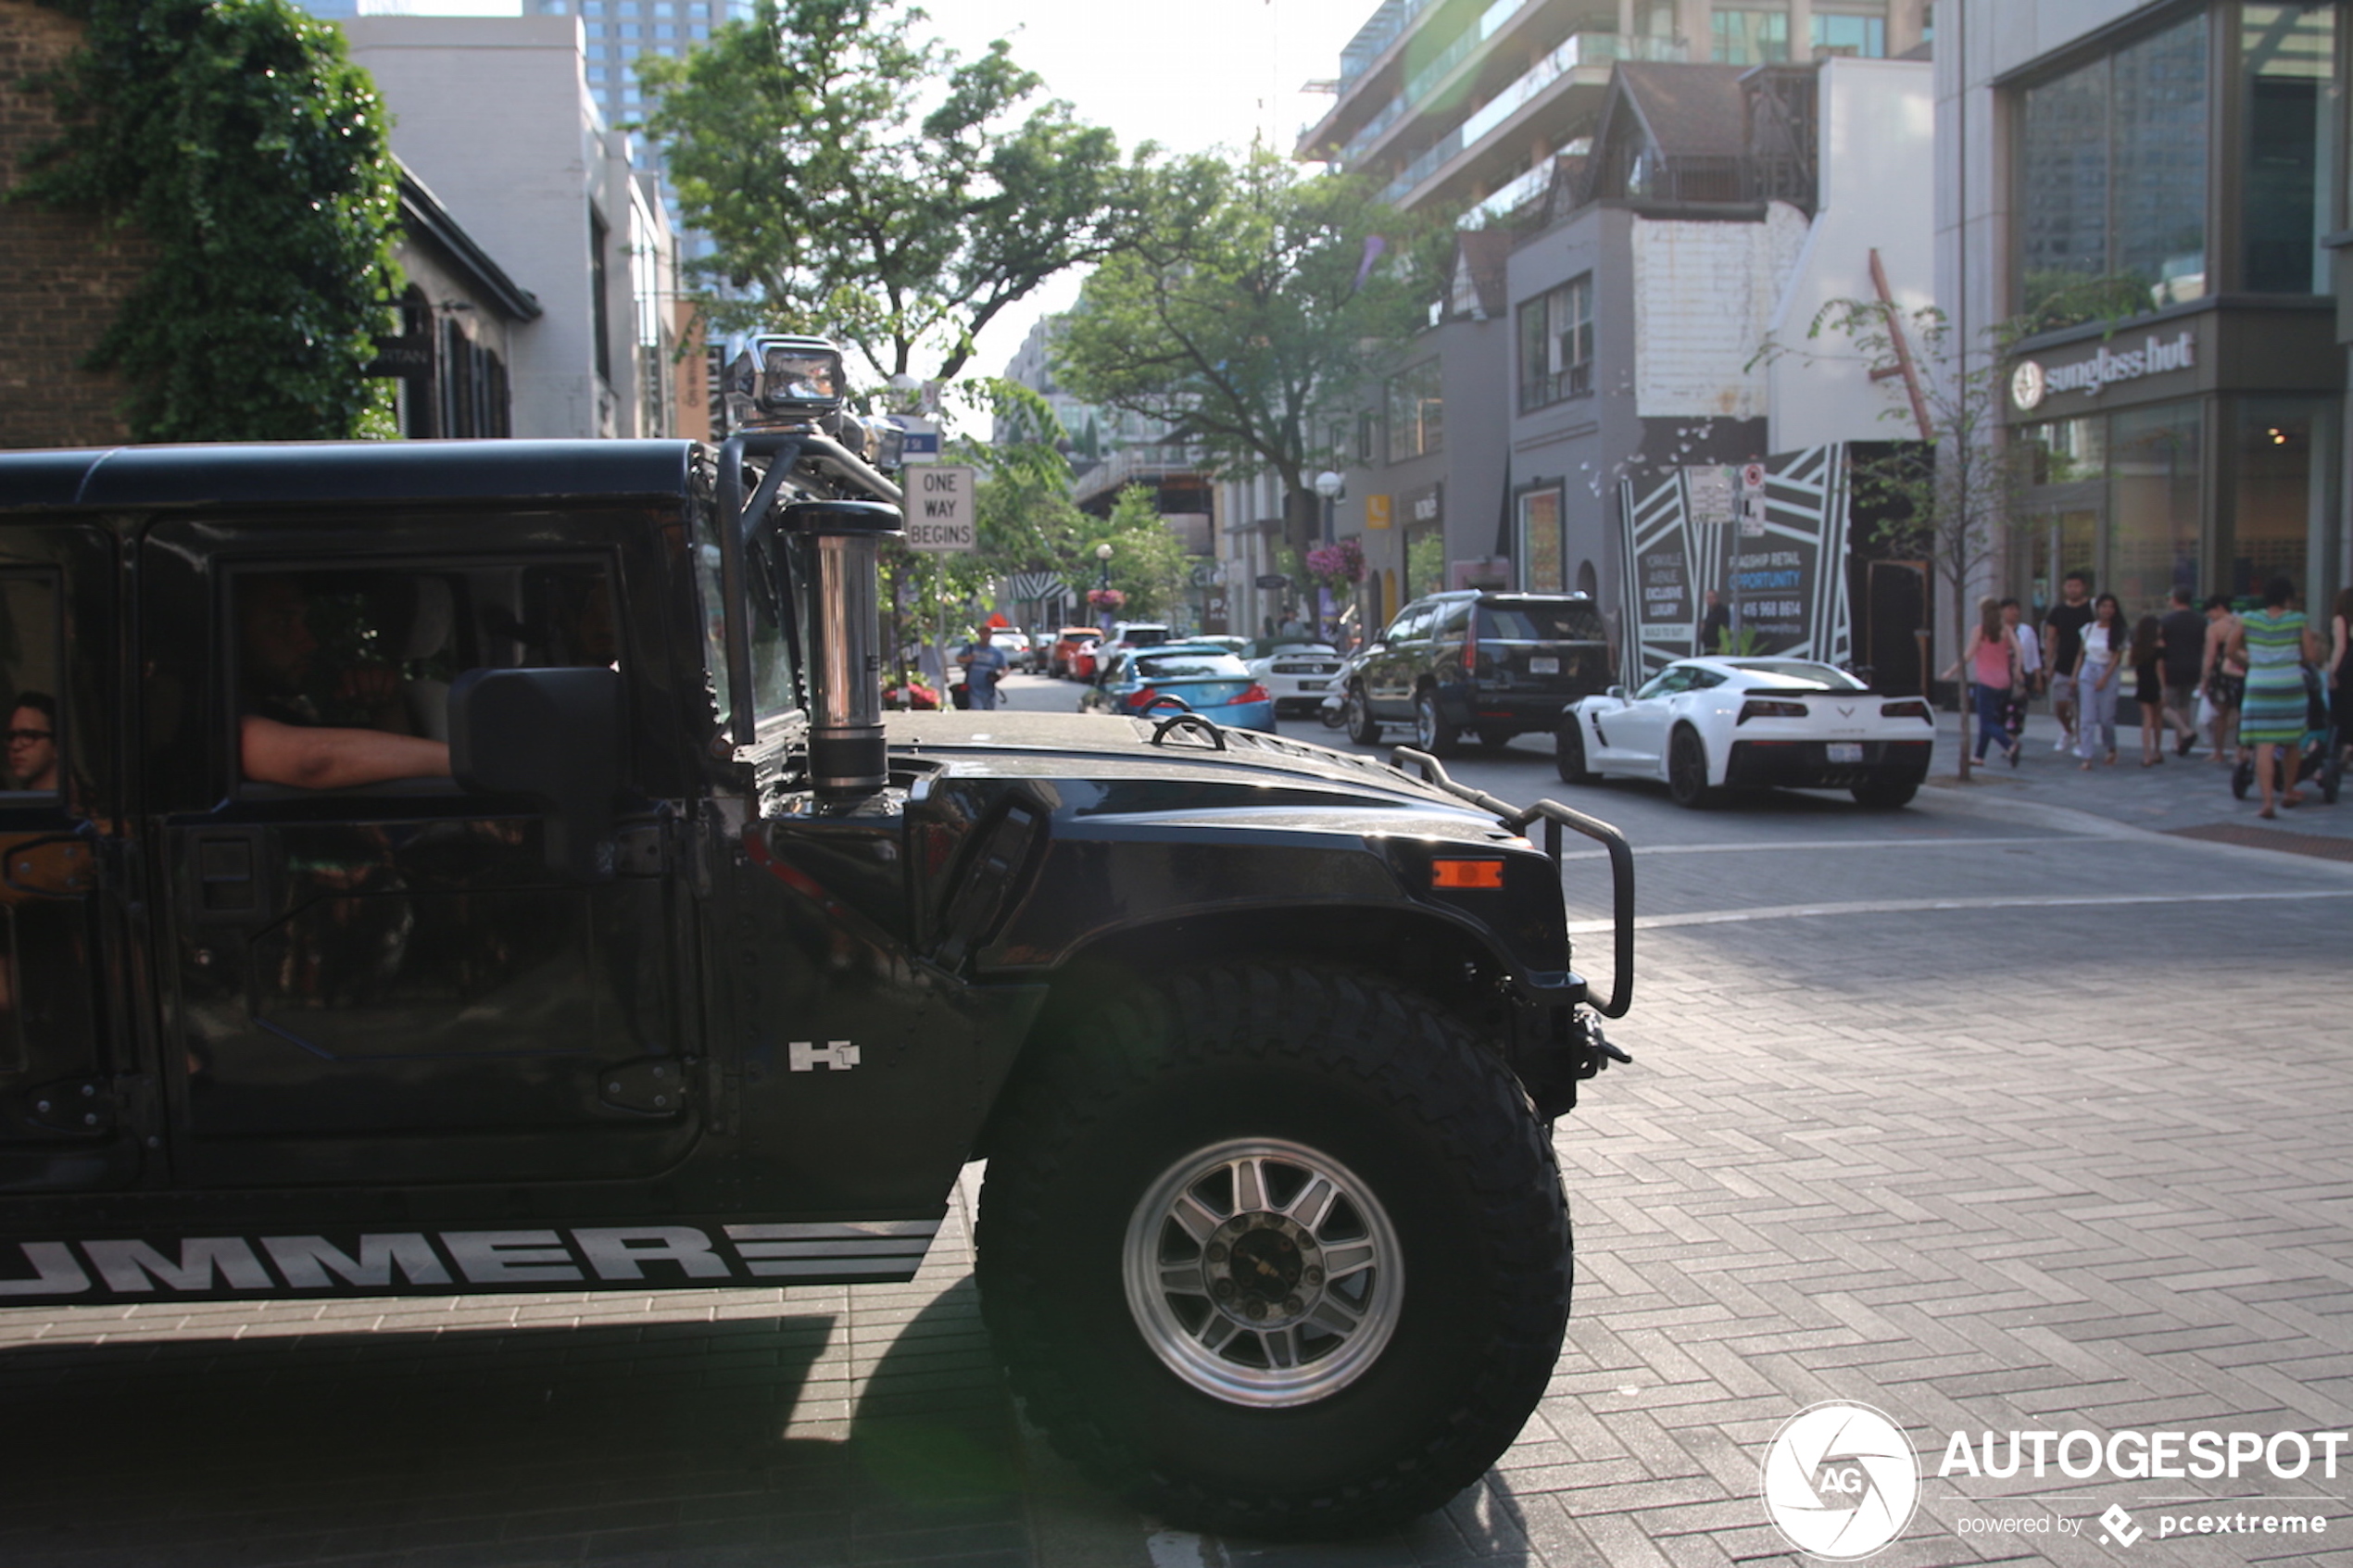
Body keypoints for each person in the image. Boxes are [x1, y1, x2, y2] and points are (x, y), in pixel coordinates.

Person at [239, 574, 450, 789]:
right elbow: (313, 762)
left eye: (303, 622)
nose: (310, 644)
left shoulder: (277, 715)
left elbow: (400, 788)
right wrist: (467, 763)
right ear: (230, 630)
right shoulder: (213, 717)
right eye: (283, 622)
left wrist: (385, 707)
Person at [2229, 576, 2322, 820]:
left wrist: (2249, 662)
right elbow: (2311, 655)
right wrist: (2291, 661)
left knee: (2264, 745)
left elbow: (2229, 649)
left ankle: (2267, 801)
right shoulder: (2298, 620)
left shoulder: (2248, 618)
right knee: (2291, 742)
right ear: (2287, 597)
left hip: (2259, 685)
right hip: (2290, 684)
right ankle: (2288, 791)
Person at [1944, 596, 2021, 766]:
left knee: (1987, 722)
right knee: (1989, 720)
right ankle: (1979, 756)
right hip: (2004, 682)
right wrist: (2017, 670)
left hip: (1986, 682)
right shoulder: (2006, 629)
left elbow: (1968, 655)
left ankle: (2009, 745)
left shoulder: (1979, 630)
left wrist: (1951, 671)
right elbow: (2018, 648)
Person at [2072, 592, 2126, 769]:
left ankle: (2111, 747)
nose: (2107, 610)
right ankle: (2087, 756)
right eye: (2104, 606)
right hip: (2088, 669)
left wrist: (2104, 678)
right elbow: (2081, 654)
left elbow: (2116, 657)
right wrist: (2075, 675)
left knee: (2105, 718)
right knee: (2087, 716)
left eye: (2111, 606)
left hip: (2107, 671)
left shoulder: (2118, 631)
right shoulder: (2088, 628)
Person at [2044, 571, 2094, 753]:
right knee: (2061, 704)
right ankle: (2067, 729)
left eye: (2077, 586)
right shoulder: (2058, 611)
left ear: (2084, 587)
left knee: (2083, 706)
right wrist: (2049, 663)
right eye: (2069, 586)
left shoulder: (2092, 609)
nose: (2073, 589)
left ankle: (2081, 740)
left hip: (2087, 664)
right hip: (2063, 664)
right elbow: (2050, 638)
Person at [2158, 586, 2206, 756]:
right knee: (2184, 705)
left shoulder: (2167, 621)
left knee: (2165, 705)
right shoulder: (2201, 620)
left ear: (2175, 599)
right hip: (2194, 666)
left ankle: (2185, 733)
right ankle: (2181, 742)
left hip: (2172, 666)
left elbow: (2160, 646)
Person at [2200, 594, 2246, 767]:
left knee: (2220, 715)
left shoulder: (2214, 629)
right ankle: (2239, 752)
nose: (2208, 616)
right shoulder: (2241, 622)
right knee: (2241, 714)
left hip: (2221, 674)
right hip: (2241, 670)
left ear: (2219, 608)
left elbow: (2210, 656)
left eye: (2210, 612)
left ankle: (2218, 751)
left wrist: (2204, 679)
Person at [2131, 613, 2171, 766]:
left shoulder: (2138, 646)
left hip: (2143, 683)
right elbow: (2160, 668)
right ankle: (2157, 751)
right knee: (2157, 718)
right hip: (2155, 683)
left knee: (2146, 720)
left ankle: (2146, 754)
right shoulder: (2159, 646)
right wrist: (2163, 688)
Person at [2000, 598, 2039, 749]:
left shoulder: (2026, 630)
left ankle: (2013, 740)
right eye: (2010, 609)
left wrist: (2037, 675)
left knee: (2018, 708)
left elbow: (2034, 653)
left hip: (2022, 675)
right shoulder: (1997, 630)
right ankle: (2007, 740)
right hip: (2001, 674)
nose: (2014, 612)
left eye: (2017, 609)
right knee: (2002, 709)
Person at [6, 692, 58, 793]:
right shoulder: (13, 803)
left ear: (57, 746)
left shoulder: (81, 805)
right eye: (11, 736)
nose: (15, 746)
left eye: (29, 735)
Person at [957, 624, 1010, 713]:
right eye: (983, 633)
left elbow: (1006, 668)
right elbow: (958, 658)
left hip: (989, 690)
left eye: (987, 633)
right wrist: (967, 659)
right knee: (977, 712)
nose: (985, 636)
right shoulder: (971, 648)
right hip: (973, 689)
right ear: (979, 634)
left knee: (989, 714)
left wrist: (999, 677)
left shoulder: (996, 652)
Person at [1699, 589, 1731, 654]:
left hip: (1717, 649)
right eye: (1708, 598)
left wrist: (1722, 646)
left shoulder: (1722, 611)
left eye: (1712, 597)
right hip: (1708, 647)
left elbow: (1725, 629)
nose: (1710, 600)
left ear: (1716, 598)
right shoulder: (1710, 612)